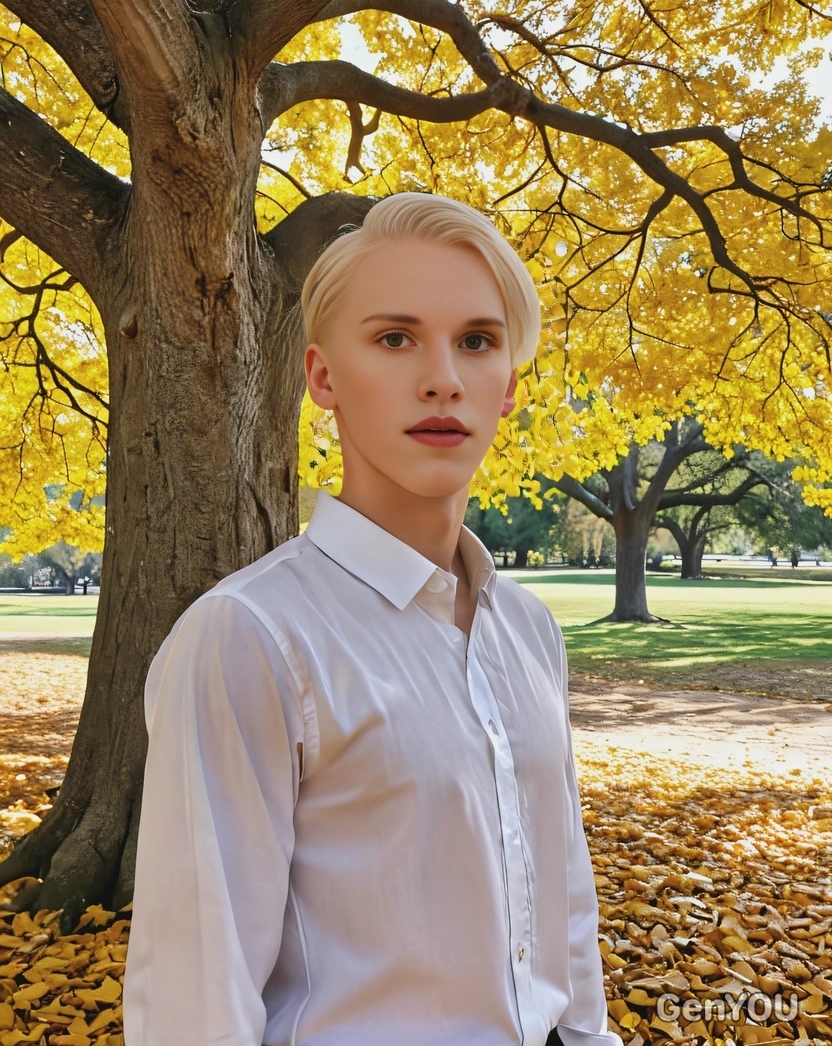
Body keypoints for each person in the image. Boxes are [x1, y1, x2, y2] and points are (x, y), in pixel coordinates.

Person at [122, 193, 622, 1046]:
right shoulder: (248, 637)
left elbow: (563, 904)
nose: (443, 377)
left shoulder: (528, 629)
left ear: (506, 389)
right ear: (323, 378)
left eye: (477, 341)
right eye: (395, 338)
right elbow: (195, 997)